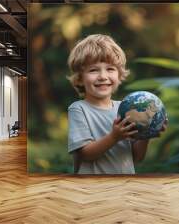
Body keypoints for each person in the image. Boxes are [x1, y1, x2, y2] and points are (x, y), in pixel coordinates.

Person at [66, 34, 166, 174]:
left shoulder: (125, 108)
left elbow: (136, 158)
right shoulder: (78, 109)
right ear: (80, 78)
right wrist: (114, 137)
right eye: (93, 70)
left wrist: (147, 133)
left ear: (119, 76)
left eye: (110, 69)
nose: (103, 76)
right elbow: (85, 155)